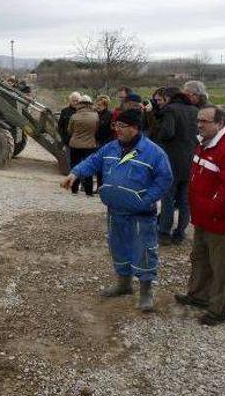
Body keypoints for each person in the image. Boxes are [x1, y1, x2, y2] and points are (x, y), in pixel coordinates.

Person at [61, 109, 173, 311]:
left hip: (141, 214)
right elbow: (93, 161)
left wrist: (146, 199)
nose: (117, 130)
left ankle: (146, 292)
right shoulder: (110, 148)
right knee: (118, 248)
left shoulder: (154, 152)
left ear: (135, 128)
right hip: (115, 211)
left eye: (122, 126)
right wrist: (75, 173)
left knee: (144, 251)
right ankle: (124, 285)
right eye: (115, 125)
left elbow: (165, 179)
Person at [176, 106, 225, 326]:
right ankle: (198, 296)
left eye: (205, 121)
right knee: (200, 259)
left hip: (222, 222)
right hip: (204, 219)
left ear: (219, 123)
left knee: (221, 268)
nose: (199, 124)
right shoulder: (204, 144)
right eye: (198, 120)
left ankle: (220, 310)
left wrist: (213, 209)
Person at [156, 87, 199, 245]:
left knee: (168, 198)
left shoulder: (170, 110)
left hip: (172, 160)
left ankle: (164, 232)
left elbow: (167, 133)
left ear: (168, 98)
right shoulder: (195, 110)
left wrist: (159, 132)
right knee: (184, 200)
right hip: (191, 159)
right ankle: (180, 233)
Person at [67, 94, 99, 196]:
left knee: (75, 166)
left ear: (80, 104)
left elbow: (69, 130)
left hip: (75, 144)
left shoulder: (74, 116)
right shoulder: (95, 116)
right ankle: (88, 191)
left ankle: (74, 189)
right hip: (89, 145)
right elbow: (96, 130)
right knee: (89, 166)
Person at [94, 95, 114, 188]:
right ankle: (99, 186)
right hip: (96, 141)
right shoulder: (95, 114)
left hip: (105, 142)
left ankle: (103, 186)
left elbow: (111, 130)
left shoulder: (109, 115)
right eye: (97, 104)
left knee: (104, 166)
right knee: (98, 166)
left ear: (105, 106)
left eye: (100, 105)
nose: (97, 107)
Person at [57, 92, 82, 161]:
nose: (75, 102)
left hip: (79, 140)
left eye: (77, 101)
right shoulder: (64, 111)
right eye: (73, 101)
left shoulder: (82, 112)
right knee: (69, 158)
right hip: (68, 140)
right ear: (70, 101)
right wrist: (63, 137)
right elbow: (60, 126)